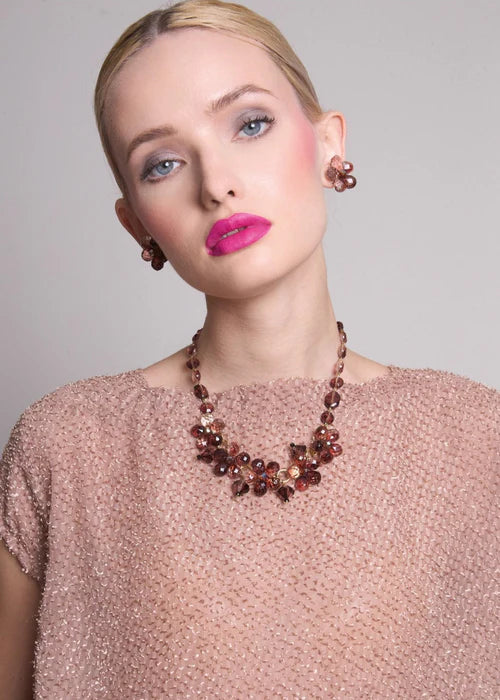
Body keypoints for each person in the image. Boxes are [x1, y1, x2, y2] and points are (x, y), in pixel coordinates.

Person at [0, 0, 498, 697]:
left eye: (250, 124)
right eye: (162, 163)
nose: (216, 184)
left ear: (329, 144)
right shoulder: (68, 445)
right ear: (137, 224)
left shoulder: (474, 439)